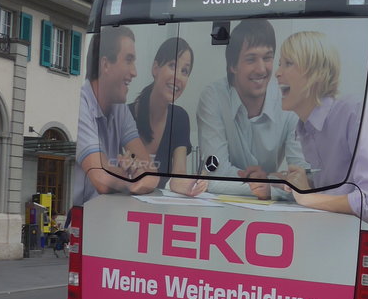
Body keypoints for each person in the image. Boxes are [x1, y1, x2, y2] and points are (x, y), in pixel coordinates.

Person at [271, 30, 368, 226]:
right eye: (280, 64)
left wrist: (307, 197)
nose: (277, 73)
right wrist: (290, 184)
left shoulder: (353, 113)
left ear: (315, 73)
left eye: (288, 63)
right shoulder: (305, 128)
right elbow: (337, 188)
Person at [196, 18, 305, 199]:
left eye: (267, 58)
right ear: (233, 66)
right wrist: (273, 182)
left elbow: (302, 180)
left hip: (269, 212)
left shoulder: (288, 100)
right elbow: (215, 174)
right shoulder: (213, 97)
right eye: (251, 59)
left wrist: (269, 184)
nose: (261, 69)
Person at [73, 27, 159, 206]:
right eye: (128, 60)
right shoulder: (80, 103)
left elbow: (152, 174)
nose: (134, 72)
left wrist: (124, 174)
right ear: (105, 65)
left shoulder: (119, 108)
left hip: (108, 217)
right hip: (81, 223)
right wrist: (132, 177)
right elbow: (102, 180)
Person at [129, 37, 206, 197]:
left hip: (158, 213)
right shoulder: (124, 116)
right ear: (155, 68)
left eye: (185, 71)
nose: (178, 77)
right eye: (172, 66)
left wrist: (188, 184)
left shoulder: (179, 118)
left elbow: (178, 173)